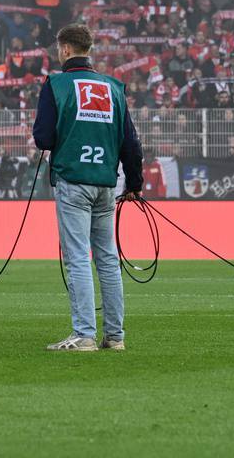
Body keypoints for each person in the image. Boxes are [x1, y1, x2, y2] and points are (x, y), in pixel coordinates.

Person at [33, 22, 143, 352]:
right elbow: (131, 143)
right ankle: (116, 336)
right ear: (89, 49)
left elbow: (43, 137)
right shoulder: (113, 87)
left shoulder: (56, 84)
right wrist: (134, 183)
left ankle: (83, 334)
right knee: (108, 259)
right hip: (106, 183)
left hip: (73, 179)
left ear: (65, 49)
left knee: (78, 258)